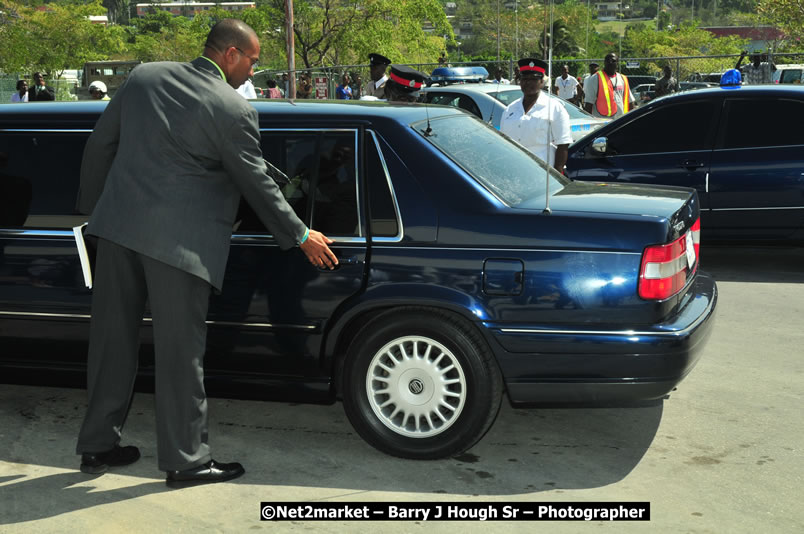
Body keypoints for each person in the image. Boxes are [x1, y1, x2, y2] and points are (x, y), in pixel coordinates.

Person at [74, 18, 337, 487]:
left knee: (110, 345)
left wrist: (95, 219)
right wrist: (301, 234)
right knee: (180, 357)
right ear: (230, 54)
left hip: (116, 234)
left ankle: (97, 447)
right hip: (180, 249)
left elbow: (99, 146)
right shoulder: (232, 109)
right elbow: (256, 183)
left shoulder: (144, 77)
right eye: (252, 62)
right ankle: (186, 460)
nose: (252, 73)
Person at [500, 58, 572, 173]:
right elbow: (503, 144)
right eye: (524, 79)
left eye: (533, 79)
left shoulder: (554, 108)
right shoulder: (510, 109)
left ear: (542, 82)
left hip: (542, 173)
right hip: (513, 171)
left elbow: (563, 144)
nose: (528, 83)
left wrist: (558, 174)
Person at [583, 53, 635, 119]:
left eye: (613, 61)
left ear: (617, 63)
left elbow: (630, 102)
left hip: (620, 121)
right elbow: (588, 104)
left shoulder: (623, 78)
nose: (610, 62)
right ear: (604, 63)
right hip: (602, 123)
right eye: (608, 60)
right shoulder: (595, 78)